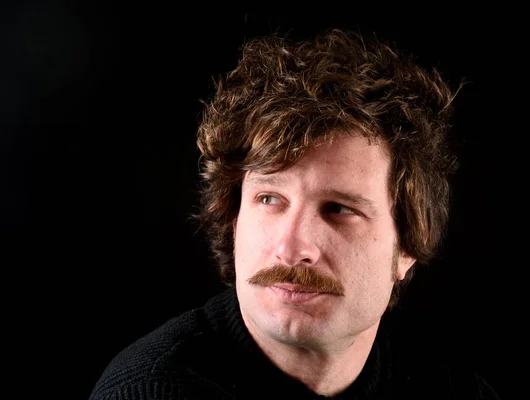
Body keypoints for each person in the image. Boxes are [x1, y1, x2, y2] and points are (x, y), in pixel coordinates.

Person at [89, 29, 500, 399]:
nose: (290, 249)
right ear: (234, 218)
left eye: (339, 209)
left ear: (410, 242)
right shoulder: (151, 391)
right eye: (269, 199)